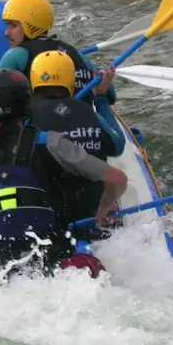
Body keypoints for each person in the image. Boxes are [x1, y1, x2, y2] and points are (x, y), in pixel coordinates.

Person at [0, 69, 128, 279]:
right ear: (27, 104)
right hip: (50, 261)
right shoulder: (51, 142)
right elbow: (117, 179)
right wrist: (106, 203)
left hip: (0, 271)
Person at [27, 50, 126, 242]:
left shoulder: (27, 114)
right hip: (95, 213)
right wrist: (101, 100)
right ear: (70, 81)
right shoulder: (89, 112)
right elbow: (118, 146)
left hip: (53, 218)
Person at [0, 0, 116, 104]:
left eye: (13, 25)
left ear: (30, 25)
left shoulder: (15, 55)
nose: (7, 33)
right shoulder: (75, 53)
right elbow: (111, 96)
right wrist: (99, 94)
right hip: (81, 120)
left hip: (39, 123)